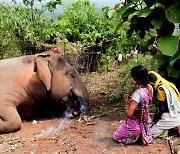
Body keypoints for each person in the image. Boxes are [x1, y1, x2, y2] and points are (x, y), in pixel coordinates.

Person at [112, 65, 153, 145]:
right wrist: (134, 102)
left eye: (132, 77)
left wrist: (127, 103)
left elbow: (129, 114)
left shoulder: (137, 94)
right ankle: (142, 135)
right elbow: (146, 103)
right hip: (145, 122)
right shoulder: (148, 88)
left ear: (135, 79)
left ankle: (135, 136)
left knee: (115, 135)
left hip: (134, 125)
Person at [149, 71, 180, 138]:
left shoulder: (161, 89)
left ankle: (175, 125)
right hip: (177, 110)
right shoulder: (167, 83)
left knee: (150, 133)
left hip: (170, 115)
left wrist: (156, 120)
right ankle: (174, 126)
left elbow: (162, 108)